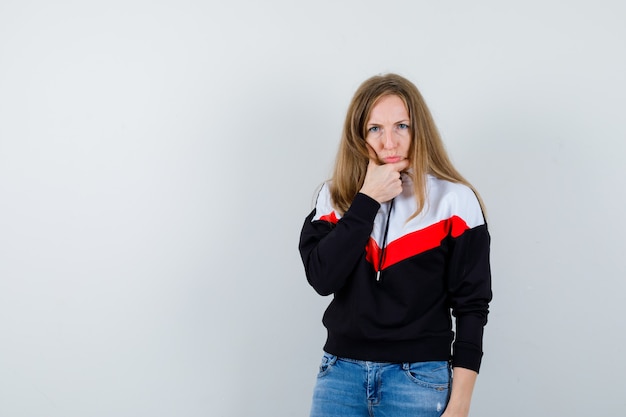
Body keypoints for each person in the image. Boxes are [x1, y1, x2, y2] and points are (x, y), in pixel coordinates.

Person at [298, 73, 492, 417]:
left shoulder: (455, 202)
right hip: (339, 375)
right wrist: (367, 200)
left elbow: (472, 307)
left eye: (401, 126)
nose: (389, 142)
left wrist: (460, 402)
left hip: (417, 379)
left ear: (419, 129)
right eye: (376, 129)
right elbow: (321, 279)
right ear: (359, 134)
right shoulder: (335, 197)